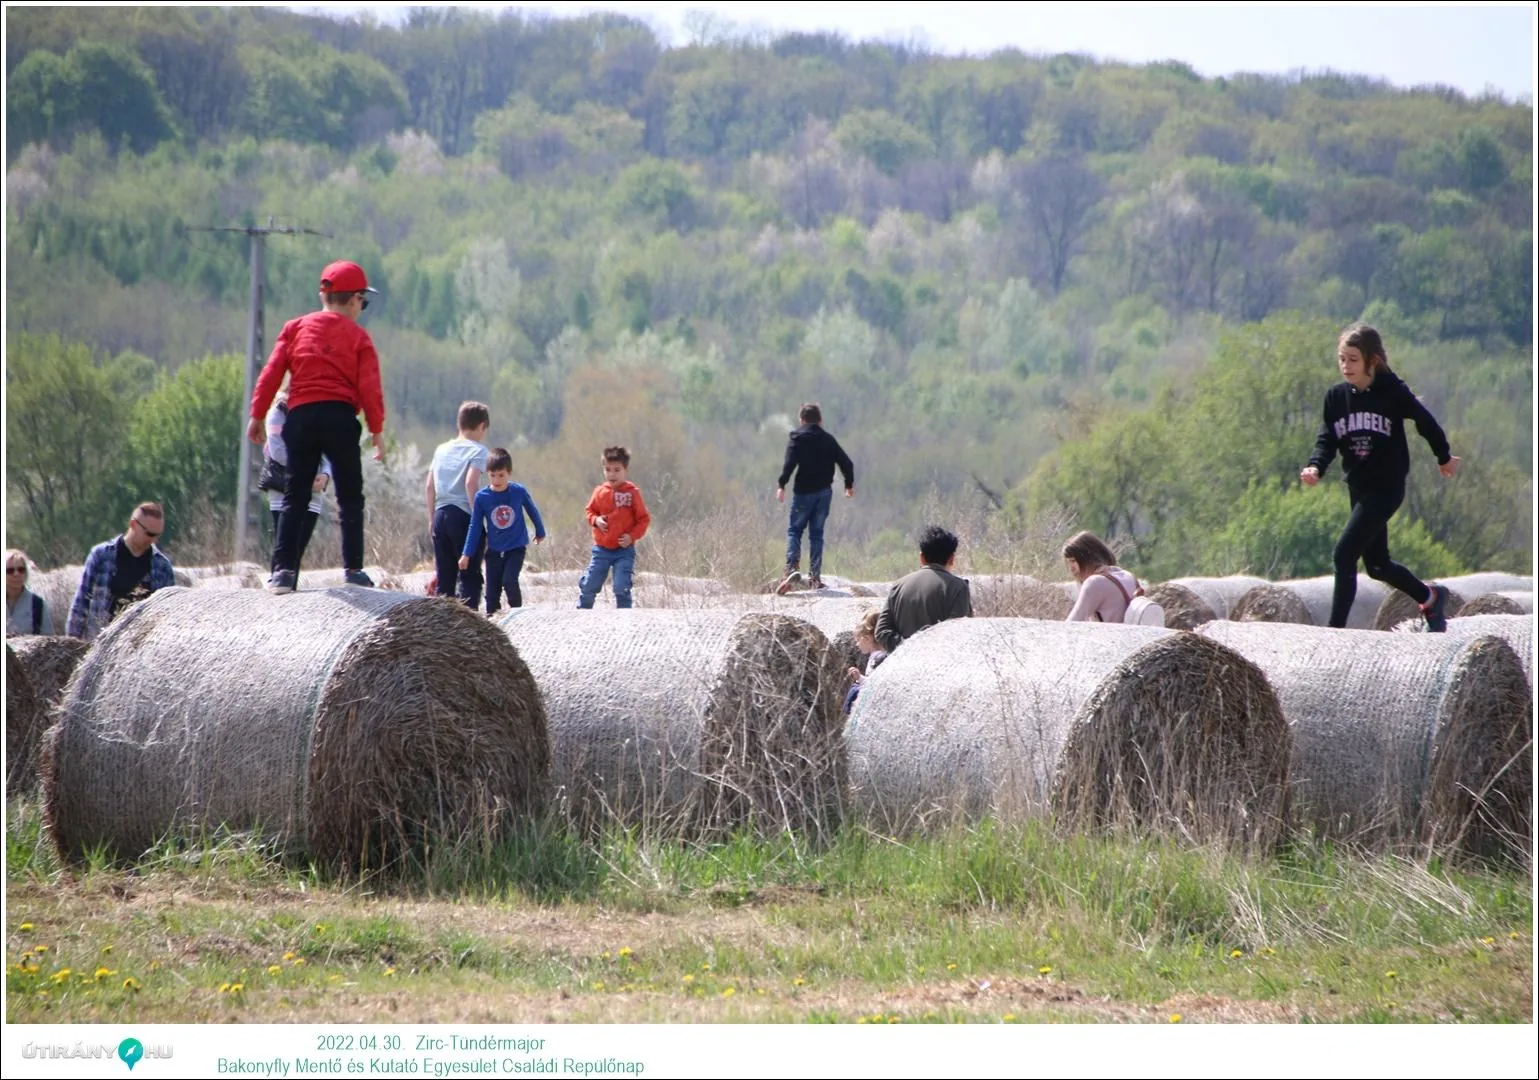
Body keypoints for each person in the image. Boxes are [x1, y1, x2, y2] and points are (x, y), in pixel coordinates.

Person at [1301, 322, 1459, 632]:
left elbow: (1424, 421)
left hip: (1386, 489)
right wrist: (1315, 467)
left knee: (1344, 555)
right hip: (1358, 489)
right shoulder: (1335, 398)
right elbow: (1327, 440)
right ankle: (1430, 597)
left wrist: (1443, 456)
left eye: (1353, 359)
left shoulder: (1391, 392)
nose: (1346, 366)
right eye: (1341, 358)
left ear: (1372, 360)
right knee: (1377, 566)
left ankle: (1334, 632)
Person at [247, 259, 386, 594]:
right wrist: (378, 431)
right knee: (351, 495)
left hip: (302, 416)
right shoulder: (359, 337)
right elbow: (370, 386)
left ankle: (282, 573)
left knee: (295, 493)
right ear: (353, 299)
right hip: (339, 417)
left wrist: (257, 413)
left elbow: (272, 371)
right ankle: (353, 570)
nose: (361, 309)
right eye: (362, 302)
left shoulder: (295, 328)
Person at [776, 403, 855, 594]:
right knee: (817, 535)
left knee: (795, 530)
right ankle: (814, 577)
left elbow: (789, 464)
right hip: (824, 494)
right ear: (820, 421)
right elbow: (847, 463)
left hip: (803, 492)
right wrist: (848, 485)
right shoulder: (828, 440)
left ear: (801, 420)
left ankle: (792, 569)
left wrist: (781, 484)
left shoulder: (797, 438)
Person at [66, 503, 176, 641]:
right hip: (99, 644)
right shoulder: (101, 555)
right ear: (133, 524)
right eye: (149, 534)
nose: (154, 540)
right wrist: (72, 643)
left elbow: (167, 616)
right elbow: (81, 603)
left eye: (157, 535)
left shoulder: (162, 567)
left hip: (140, 648)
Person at [461, 446, 546, 616]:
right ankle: (493, 623)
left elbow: (532, 510)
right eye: (493, 475)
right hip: (494, 550)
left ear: (509, 473)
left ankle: (517, 616)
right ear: (488, 474)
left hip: (515, 548)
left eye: (501, 475)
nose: (497, 480)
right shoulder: (482, 497)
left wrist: (540, 531)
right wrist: (466, 554)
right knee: (491, 594)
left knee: (509, 581)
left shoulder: (518, 492)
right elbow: (475, 526)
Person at [428, 401, 491, 609]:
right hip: (463, 517)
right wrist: (478, 518)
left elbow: (429, 486)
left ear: (460, 424)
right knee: (470, 576)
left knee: (445, 579)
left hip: (440, 515)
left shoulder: (441, 450)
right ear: (482, 426)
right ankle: (469, 625)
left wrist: (431, 520)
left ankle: (445, 630)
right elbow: (470, 483)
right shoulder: (479, 451)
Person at [264, 388, 331, 574]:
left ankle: (290, 589)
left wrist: (325, 474)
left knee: (298, 550)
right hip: (283, 489)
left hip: (313, 491)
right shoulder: (277, 413)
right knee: (284, 549)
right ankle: (277, 586)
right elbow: (277, 452)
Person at [874, 525, 972, 652]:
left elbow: (881, 632)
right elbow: (958, 633)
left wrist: (907, 645)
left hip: (903, 665)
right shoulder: (958, 587)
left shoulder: (898, 586)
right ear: (951, 559)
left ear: (922, 557)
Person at [578, 446, 650, 610]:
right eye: (608, 469)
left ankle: (624, 616)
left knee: (621, 587)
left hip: (623, 551)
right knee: (590, 586)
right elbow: (589, 511)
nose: (612, 474)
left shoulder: (632, 493)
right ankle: (582, 612)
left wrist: (632, 537)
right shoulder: (600, 491)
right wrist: (596, 520)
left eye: (617, 470)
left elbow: (643, 519)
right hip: (601, 549)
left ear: (625, 470)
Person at [1063, 531, 1141, 622]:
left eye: (1073, 561)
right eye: (1068, 562)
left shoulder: (1094, 583)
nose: (1071, 568)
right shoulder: (1128, 576)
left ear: (1088, 558)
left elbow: (1072, 624)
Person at [842, 608, 889, 715]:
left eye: (858, 640)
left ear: (867, 638)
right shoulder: (879, 655)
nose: (857, 644)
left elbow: (875, 686)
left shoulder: (878, 659)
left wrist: (859, 678)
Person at [5, 550, 53, 636]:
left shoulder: (38, 605)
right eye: (10, 570)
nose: (16, 574)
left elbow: (49, 640)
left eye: (21, 570)